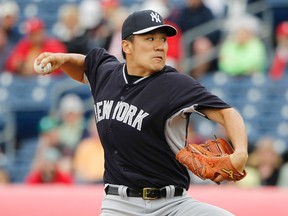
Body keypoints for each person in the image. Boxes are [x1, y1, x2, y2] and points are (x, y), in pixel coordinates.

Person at [34, 9, 248, 215]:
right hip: (119, 205)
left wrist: (240, 152)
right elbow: (85, 65)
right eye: (150, 39)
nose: (160, 46)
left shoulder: (176, 84)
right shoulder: (105, 72)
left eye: (163, 39)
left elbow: (228, 114)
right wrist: (62, 59)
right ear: (126, 46)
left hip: (173, 205)